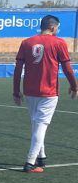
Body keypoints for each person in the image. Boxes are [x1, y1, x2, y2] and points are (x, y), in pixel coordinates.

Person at [13, 14, 77, 173]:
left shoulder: (26, 42)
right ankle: (30, 162)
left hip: (30, 91)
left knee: (36, 124)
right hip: (48, 91)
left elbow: (18, 69)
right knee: (40, 126)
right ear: (53, 27)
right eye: (58, 28)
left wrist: (16, 91)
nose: (58, 30)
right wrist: (74, 86)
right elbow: (67, 68)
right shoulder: (59, 42)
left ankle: (41, 158)